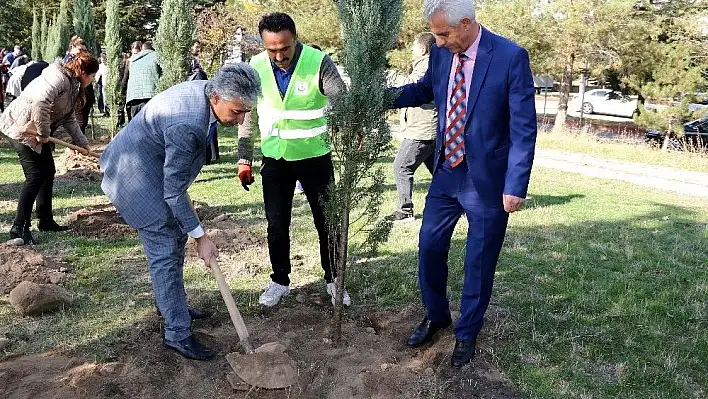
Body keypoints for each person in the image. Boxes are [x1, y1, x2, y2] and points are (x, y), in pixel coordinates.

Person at [390, 0, 537, 367]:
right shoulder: (442, 55)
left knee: (479, 260)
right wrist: (381, 98)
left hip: (486, 179)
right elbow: (425, 90)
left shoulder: (509, 56)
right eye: (436, 35)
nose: (438, 43)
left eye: (444, 34)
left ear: (467, 23)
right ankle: (437, 316)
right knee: (429, 247)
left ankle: (467, 332)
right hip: (445, 173)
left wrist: (516, 185)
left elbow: (523, 127)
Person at [99, 64, 261, 361]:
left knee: (174, 239)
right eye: (237, 111)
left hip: (150, 168)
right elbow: (172, 192)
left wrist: (191, 231)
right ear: (216, 97)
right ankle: (178, 333)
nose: (241, 119)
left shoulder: (204, 97)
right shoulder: (187, 123)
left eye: (246, 112)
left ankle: (173, 305)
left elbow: (174, 186)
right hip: (134, 178)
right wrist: (201, 237)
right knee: (164, 248)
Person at [238, 12, 349, 307]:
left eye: (284, 48)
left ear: (295, 39)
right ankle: (279, 280)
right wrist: (243, 158)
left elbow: (341, 99)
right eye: (271, 48)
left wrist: (347, 127)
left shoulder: (317, 62)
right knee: (276, 223)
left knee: (326, 220)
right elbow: (247, 115)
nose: (278, 55)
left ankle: (334, 278)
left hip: (315, 156)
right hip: (276, 158)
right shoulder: (256, 66)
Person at [0, 51, 97, 244]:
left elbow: (68, 118)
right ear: (85, 73)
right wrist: (44, 132)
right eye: (93, 76)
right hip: (20, 127)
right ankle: (19, 227)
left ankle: (45, 220)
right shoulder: (58, 77)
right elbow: (40, 102)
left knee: (48, 171)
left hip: (36, 131)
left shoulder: (73, 85)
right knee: (35, 175)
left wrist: (82, 144)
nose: (92, 81)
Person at [388, 32, 438, 223]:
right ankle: (461, 204)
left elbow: (410, 89)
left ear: (423, 49)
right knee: (441, 173)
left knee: (401, 167)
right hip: (427, 129)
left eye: (414, 46)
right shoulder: (426, 66)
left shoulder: (425, 67)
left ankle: (404, 211)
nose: (410, 49)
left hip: (422, 131)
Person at [125, 41, 161, 121]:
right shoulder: (156, 56)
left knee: (136, 126)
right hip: (149, 95)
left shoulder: (133, 60)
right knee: (149, 125)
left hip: (132, 97)